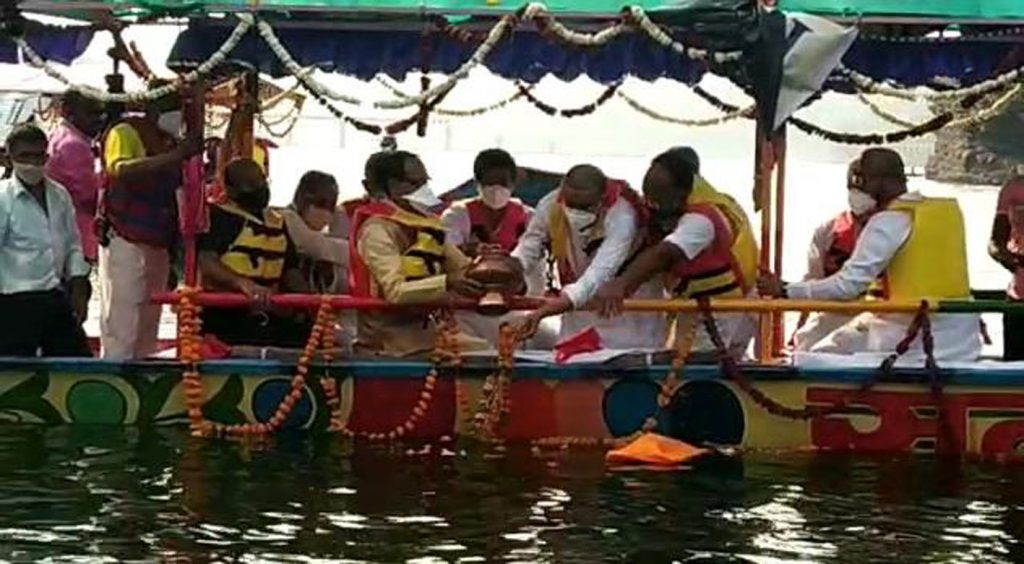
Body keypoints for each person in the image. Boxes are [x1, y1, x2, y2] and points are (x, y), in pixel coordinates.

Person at [758, 147, 980, 362]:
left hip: (911, 337)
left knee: (812, 353)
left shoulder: (888, 221)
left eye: (863, 181)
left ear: (882, 182)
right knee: (815, 337)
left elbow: (847, 286)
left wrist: (785, 290)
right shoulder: (945, 212)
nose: (859, 189)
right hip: (962, 338)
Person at [591, 148, 759, 356]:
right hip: (735, 304)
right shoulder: (720, 199)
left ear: (680, 192)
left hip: (717, 312)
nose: (653, 207)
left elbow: (664, 253)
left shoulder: (700, 221)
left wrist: (621, 284)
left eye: (658, 200)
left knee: (695, 366)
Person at [349, 150, 507, 357]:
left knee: (490, 353)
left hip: (428, 335)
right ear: (390, 187)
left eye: (425, 183)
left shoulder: (426, 224)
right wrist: (448, 282)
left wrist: (494, 269)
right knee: (483, 359)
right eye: (415, 184)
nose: (424, 191)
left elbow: (464, 268)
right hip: (389, 343)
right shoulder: (377, 229)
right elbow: (396, 291)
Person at [98, 82, 202, 359]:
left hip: (159, 239)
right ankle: (116, 371)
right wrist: (174, 157)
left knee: (149, 316)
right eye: (169, 106)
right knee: (123, 316)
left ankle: (142, 371)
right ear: (150, 106)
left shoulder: (169, 139)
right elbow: (119, 169)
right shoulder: (125, 132)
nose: (175, 113)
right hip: (125, 237)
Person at [513, 164, 667, 350]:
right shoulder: (551, 204)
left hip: (629, 314)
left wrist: (543, 312)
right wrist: (511, 269)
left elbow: (601, 272)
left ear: (602, 198)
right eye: (571, 205)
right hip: (577, 314)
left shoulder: (622, 216)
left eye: (584, 207)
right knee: (571, 362)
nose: (576, 212)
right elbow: (530, 245)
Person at [0, 124, 91, 356]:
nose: (32, 163)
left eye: (38, 156)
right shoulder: (3, 199)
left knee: (75, 365)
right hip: (14, 300)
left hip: (55, 295)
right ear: (9, 159)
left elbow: (73, 243)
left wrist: (79, 282)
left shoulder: (59, 194)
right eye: (24, 156)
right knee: (15, 370)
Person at [198, 158, 308, 347]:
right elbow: (207, 261)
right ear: (230, 190)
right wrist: (243, 284)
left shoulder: (277, 221)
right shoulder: (219, 217)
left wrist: (311, 300)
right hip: (225, 316)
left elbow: (290, 269)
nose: (259, 188)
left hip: (272, 314)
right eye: (249, 185)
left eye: (261, 181)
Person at [791, 158, 875, 351]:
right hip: (836, 314)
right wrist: (799, 326)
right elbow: (813, 279)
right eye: (853, 189)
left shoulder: (895, 229)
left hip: (881, 315)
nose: (858, 195)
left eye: (863, 190)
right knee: (804, 343)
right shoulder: (827, 231)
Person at [45, 90, 104, 264]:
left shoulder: (60, 135)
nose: (99, 119)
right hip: (79, 234)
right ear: (70, 113)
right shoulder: (73, 145)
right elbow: (90, 197)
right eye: (91, 113)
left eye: (100, 113)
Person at [441, 148, 531, 256]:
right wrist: (470, 250)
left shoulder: (528, 217)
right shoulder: (456, 215)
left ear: (513, 183)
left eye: (503, 182)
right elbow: (449, 251)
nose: (496, 190)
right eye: (490, 182)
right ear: (478, 183)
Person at [279, 170, 347, 294]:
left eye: (332, 206)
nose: (328, 213)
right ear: (303, 200)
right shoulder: (286, 218)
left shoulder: (319, 232)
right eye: (322, 203)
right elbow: (313, 245)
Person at [989, 164, 1024, 360]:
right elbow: (995, 243)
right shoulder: (1013, 189)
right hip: (1019, 299)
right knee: (1016, 367)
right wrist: (1012, 262)